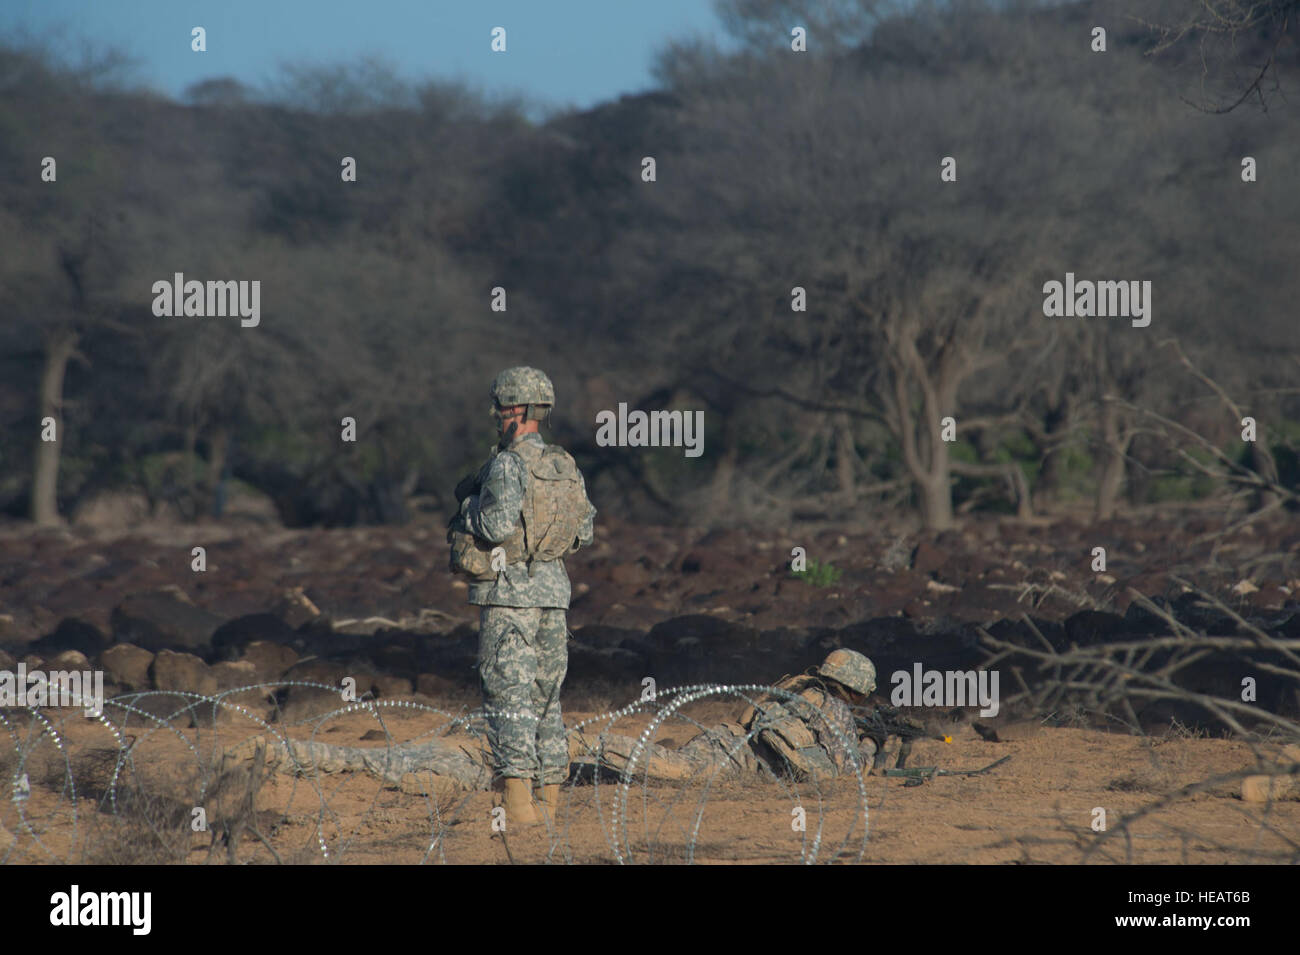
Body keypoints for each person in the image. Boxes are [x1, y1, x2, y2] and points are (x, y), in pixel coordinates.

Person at [450, 367, 596, 827]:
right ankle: (549, 807)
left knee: (508, 697)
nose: (495, 415)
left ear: (515, 410)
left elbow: (494, 526)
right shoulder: (564, 464)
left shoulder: (507, 464)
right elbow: (585, 531)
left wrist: (467, 507)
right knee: (547, 700)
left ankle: (517, 808)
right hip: (554, 596)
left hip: (508, 594)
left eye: (499, 407)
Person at [569, 649, 917, 782]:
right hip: (742, 756)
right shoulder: (832, 707)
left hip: (729, 738)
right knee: (675, 769)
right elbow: (848, 769)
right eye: (860, 693)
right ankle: (581, 741)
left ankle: (581, 755)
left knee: (669, 764)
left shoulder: (801, 685)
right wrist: (872, 744)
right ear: (853, 687)